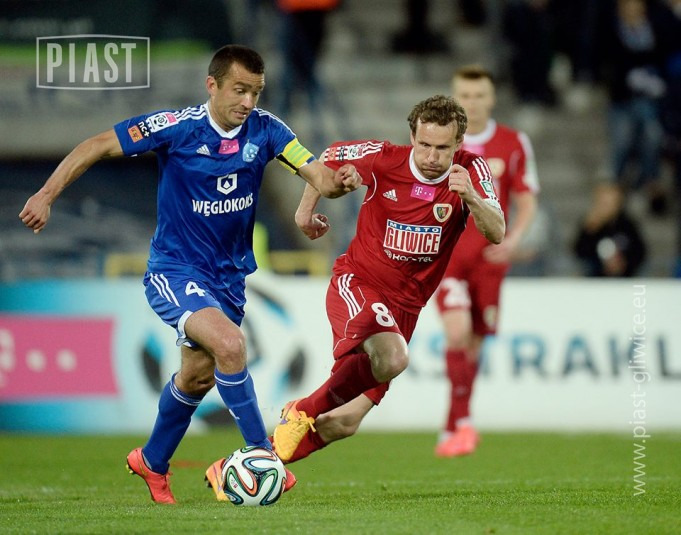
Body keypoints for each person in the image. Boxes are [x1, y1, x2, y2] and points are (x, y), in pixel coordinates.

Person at [19, 44, 361, 504]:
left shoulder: (268, 130)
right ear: (212, 85)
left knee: (198, 377)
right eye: (239, 90)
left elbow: (318, 175)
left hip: (229, 278)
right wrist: (45, 195)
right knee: (231, 345)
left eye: (256, 92)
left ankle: (151, 461)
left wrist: (339, 183)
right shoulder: (175, 127)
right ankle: (263, 453)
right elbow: (96, 145)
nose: (248, 102)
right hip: (175, 271)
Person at [270, 95, 506, 466]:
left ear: (459, 143)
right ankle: (301, 409)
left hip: (405, 310)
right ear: (412, 137)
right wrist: (304, 213)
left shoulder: (472, 169)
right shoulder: (383, 158)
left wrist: (472, 198)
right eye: (424, 145)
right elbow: (329, 157)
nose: (431, 157)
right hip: (359, 283)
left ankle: (255, 465)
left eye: (442, 148)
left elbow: (497, 231)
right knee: (393, 357)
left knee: (344, 422)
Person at [433, 65, 539, 457]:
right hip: (448, 257)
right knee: (457, 331)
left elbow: (527, 198)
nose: (472, 103)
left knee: (474, 344)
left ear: (492, 98)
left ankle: (453, 424)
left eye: (479, 96)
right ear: (454, 98)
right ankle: (463, 422)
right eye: (465, 95)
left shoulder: (513, 142)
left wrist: (513, 240)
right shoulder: (439, 143)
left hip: (490, 259)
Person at [573, 182, 647, 277]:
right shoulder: (589, 224)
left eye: (610, 202)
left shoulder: (627, 225)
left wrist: (624, 263)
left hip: (625, 279)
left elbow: (640, 252)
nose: (607, 206)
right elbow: (579, 253)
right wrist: (589, 231)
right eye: (603, 202)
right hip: (595, 279)